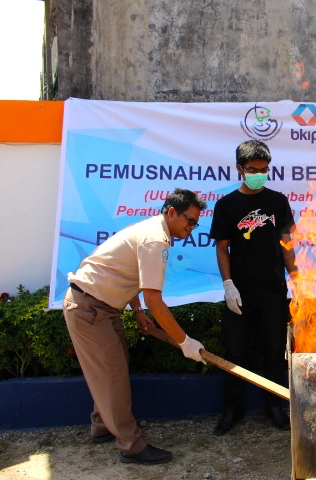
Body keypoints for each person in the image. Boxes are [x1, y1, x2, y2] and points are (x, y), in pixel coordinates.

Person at [63, 188, 208, 465]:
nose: (191, 228)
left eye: (195, 224)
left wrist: (137, 312)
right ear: (172, 212)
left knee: (113, 369)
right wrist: (184, 341)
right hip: (89, 308)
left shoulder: (152, 231)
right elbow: (155, 299)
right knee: (112, 374)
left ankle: (102, 426)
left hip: (102, 306)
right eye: (189, 220)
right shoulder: (155, 239)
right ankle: (131, 445)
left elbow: (125, 272)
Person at [210, 139, 298, 435]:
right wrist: (228, 284)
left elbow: (286, 243)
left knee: (274, 351)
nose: (259, 174)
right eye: (253, 169)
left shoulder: (278, 201)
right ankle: (233, 408)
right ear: (240, 169)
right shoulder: (226, 205)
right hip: (241, 290)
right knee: (235, 351)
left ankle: (274, 405)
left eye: (263, 169)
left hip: (273, 288)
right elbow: (222, 248)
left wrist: (296, 278)